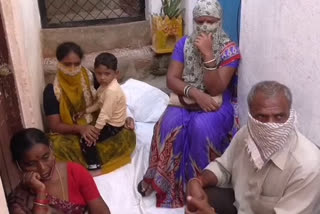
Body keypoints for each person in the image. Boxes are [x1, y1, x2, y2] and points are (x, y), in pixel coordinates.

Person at [138, 0, 241, 208]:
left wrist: (208, 55)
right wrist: (194, 93)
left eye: (209, 22)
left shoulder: (230, 51)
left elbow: (215, 89)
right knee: (168, 124)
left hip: (217, 100)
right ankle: (163, 182)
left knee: (201, 128)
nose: (203, 26)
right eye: (199, 21)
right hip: (188, 97)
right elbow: (172, 79)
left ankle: (201, 188)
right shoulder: (183, 44)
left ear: (219, 22)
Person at [186, 81, 320, 214]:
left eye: (279, 117)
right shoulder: (247, 134)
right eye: (261, 117)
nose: (270, 126)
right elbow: (223, 168)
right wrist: (198, 181)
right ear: (251, 115)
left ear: (290, 115)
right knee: (196, 203)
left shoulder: (307, 166)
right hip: (241, 207)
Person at [43, 42, 135, 171]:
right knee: (60, 147)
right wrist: (81, 129)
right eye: (67, 64)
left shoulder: (92, 77)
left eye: (76, 64)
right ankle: (93, 162)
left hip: (98, 124)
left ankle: (92, 161)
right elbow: (55, 125)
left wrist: (125, 117)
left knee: (126, 135)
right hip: (70, 132)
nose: (72, 68)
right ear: (58, 63)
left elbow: (111, 101)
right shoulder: (52, 91)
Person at [7, 128, 111, 214]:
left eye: (46, 157)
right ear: (18, 165)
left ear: (51, 149)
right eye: (31, 164)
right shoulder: (18, 201)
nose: (42, 168)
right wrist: (40, 191)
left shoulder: (74, 172)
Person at [78, 52, 127, 169]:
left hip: (114, 125)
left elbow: (104, 115)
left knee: (86, 140)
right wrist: (86, 111)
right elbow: (99, 104)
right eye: (99, 74)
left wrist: (95, 132)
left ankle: (94, 164)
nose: (102, 77)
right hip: (108, 120)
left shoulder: (111, 91)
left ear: (116, 74)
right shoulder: (104, 86)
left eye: (107, 74)